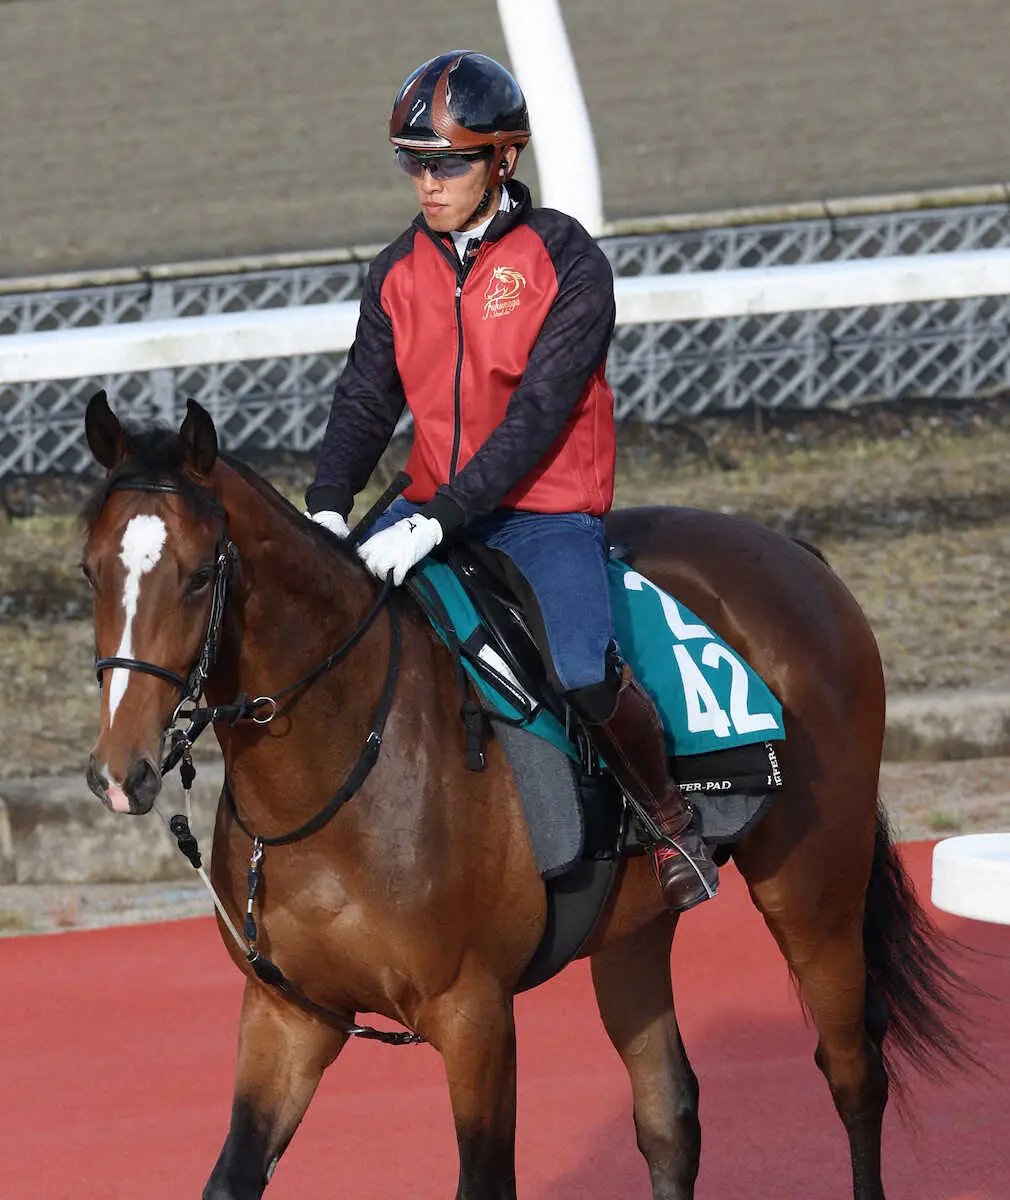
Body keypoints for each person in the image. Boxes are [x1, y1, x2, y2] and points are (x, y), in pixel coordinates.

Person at [305, 50, 717, 912]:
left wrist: (441, 517)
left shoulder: (568, 261)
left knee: (579, 670)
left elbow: (534, 420)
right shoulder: (393, 273)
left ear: (503, 158)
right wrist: (329, 505)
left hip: (543, 511)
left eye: (449, 163)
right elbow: (363, 400)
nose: (428, 183)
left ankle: (672, 819)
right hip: (428, 502)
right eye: (415, 164)